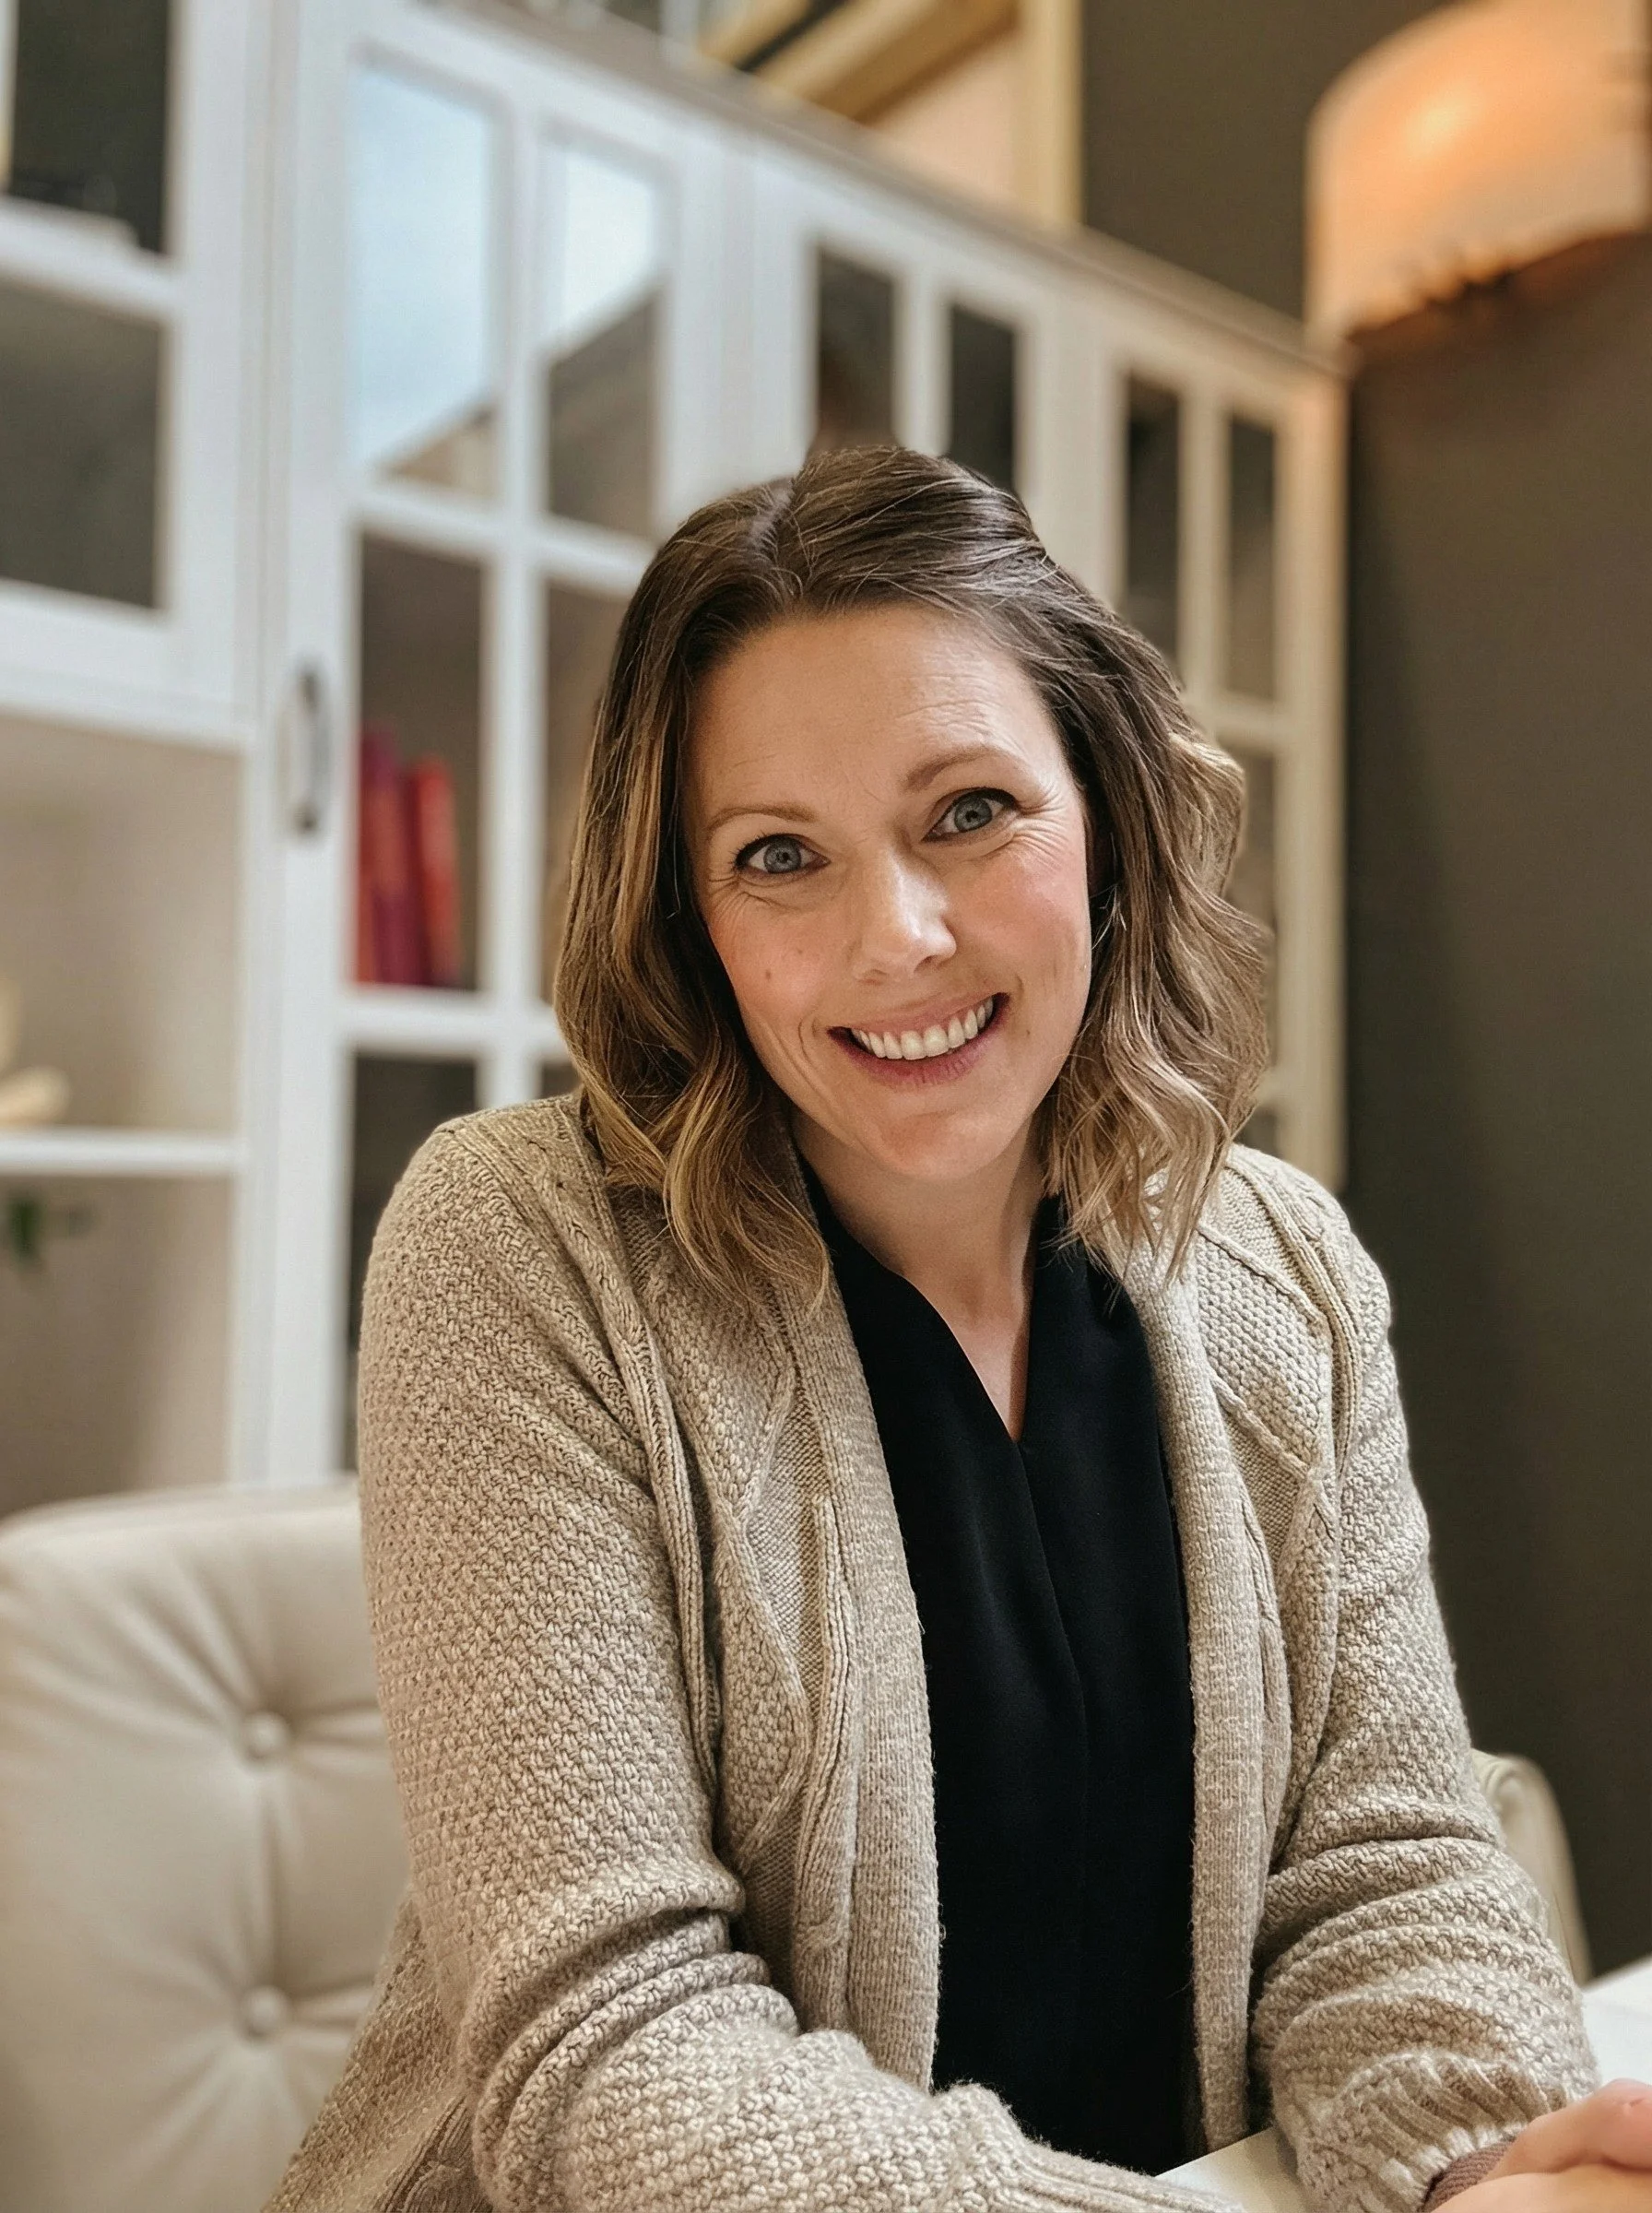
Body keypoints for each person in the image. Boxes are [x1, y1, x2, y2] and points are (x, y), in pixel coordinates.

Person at [271, 445, 1646, 2213]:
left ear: (1105, 814)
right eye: (781, 857)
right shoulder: (521, 1248)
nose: (898, 938)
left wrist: (1485, 2166)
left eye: (971, 812)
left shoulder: (1286, 1265)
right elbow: (612, 2051)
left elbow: (1381, 1864)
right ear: (694, 919)